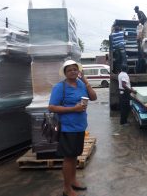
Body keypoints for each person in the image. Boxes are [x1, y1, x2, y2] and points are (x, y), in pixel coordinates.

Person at [48, 60, 97, 196]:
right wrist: (73, 108)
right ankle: (66, 188)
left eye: (75, 69)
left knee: (75, 155)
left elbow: (93, 97)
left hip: (80, 126)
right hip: (68, 127)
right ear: (65, 73)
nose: (73, 72)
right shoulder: (60, 87)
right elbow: (51, 107)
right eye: (69, 70)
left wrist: (86, 82)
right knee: (69, 158)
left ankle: (74, 181)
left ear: (79, 71)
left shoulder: (81, 84)